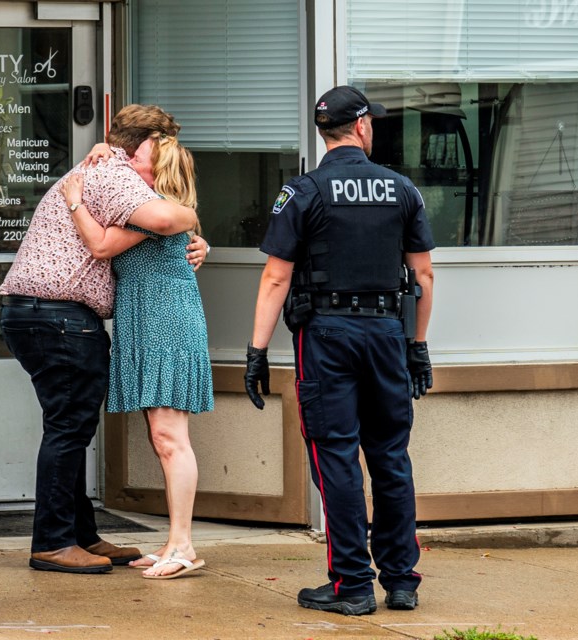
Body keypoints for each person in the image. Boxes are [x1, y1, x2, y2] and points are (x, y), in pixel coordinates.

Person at [243, 85, 435, 615]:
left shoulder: (302, 191)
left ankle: (351, 584)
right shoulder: (402, 190)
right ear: (364, 126)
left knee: (336, 458)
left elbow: (275, 279)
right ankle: (400, 581)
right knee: (391, 456)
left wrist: (257, 353)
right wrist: (417, 346)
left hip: (325, 337)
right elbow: (422, 274)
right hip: (387, 337)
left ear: (324, 131)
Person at [0, 104, 210, 575]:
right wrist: (188, 217)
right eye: (161, 143)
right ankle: (56, 541)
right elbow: (136, 231)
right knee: (69, 426)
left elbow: (167, 223)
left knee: (70, 424)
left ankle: (81, 535)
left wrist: (194, 228)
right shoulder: (114, 174)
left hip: (58, 315)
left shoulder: (107, 170)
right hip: (59, 318)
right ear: (146, 144)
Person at [59, 134, 212, 580]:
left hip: (166, 321)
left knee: (170, 437)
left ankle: (184, 544)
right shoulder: (152, 203)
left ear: (156, 169)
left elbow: (102, 246)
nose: (129, 163)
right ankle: (174, 541)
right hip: (148, 318)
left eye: (138, 157)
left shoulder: (154, 207)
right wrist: (104, 150)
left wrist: (75, 201)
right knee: (162, 435)